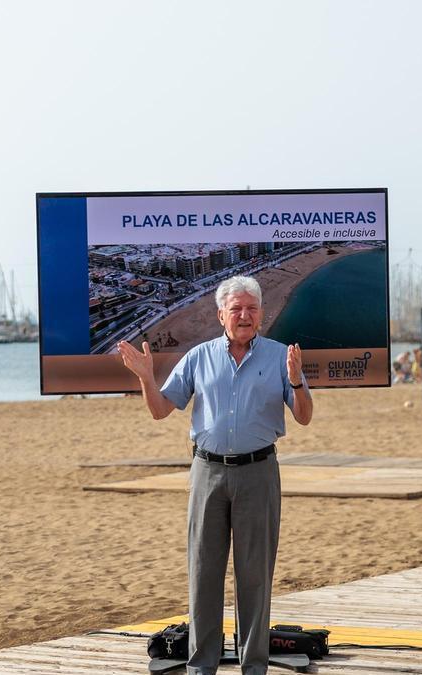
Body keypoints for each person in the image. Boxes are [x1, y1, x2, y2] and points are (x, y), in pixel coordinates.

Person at [117, 275, 313, 675]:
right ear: (221, 314)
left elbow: (305, 416)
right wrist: (144, 377)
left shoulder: (280, 357)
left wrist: (295, 377)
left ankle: (253, 665)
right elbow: (159, 410)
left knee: (254, 575)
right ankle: (201, 665)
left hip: (259, 473)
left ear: (261, 314)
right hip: (207, 473)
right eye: (236, 308)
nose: (244, 315)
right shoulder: (197, 357)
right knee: (204, 572)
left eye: (252, 308)